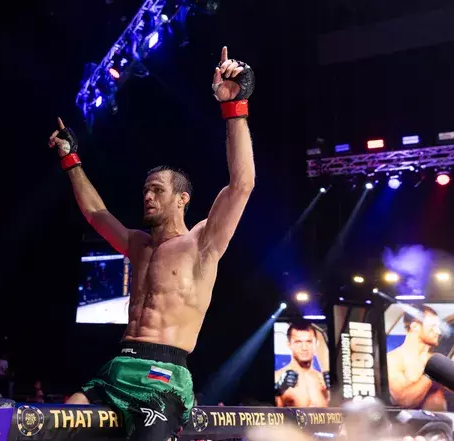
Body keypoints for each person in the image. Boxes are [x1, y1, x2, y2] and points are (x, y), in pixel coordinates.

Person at [48, 46, 255, 441]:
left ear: (182, 199)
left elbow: (242, 185)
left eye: (157, 190)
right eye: (145, 190)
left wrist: (235, 107)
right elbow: (95, 213)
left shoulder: (201, 243)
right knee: (59, 424)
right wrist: (71, 160)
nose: (147, 196)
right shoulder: (137, 244)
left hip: (164, 375)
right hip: (117, 368)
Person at [387, 305, 445, 410]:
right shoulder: (394, 360)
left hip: (442, 420)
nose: (438, 332)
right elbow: (403, 401)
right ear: (415, 327)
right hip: (410, 420)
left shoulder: (435, 360)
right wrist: (431, 375)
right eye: (433, 326)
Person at [274, 321, 330, 407]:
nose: (304, 348)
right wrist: (278, 391)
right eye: (298, 342)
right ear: (289, 345)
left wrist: (329, 393)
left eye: (309, 342)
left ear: (316, 344)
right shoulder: (277, 378)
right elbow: (268, 411)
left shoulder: (322, 380)